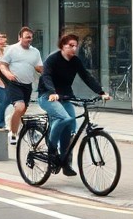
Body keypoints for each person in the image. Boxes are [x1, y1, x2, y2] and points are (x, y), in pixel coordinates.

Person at [38, 33, 110, 177]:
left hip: (65, 96)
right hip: (47, 96)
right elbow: (46, 76)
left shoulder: (75, 61)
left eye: (76, 46)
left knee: (71, 127)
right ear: (62, 46)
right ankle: (52, 149)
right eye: (70, 45)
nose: (74, 48)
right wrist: (52, 92)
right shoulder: (53, 59)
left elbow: (86, 76)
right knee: (65, 118)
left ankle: (65, 163)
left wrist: (101, 92)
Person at [0, 26, 43, 146]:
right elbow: (2, 65)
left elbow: (39, 67)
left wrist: (47, 74)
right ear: (20, 37)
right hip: (14, 84)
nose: (29, 39)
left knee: (22, 110)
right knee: (19, 107)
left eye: (31, 37)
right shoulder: (12, 49)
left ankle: (11, 120)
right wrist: (8, 73)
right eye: (27, 37)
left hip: (27, 85)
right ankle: (13, 133)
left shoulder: (35, 52)